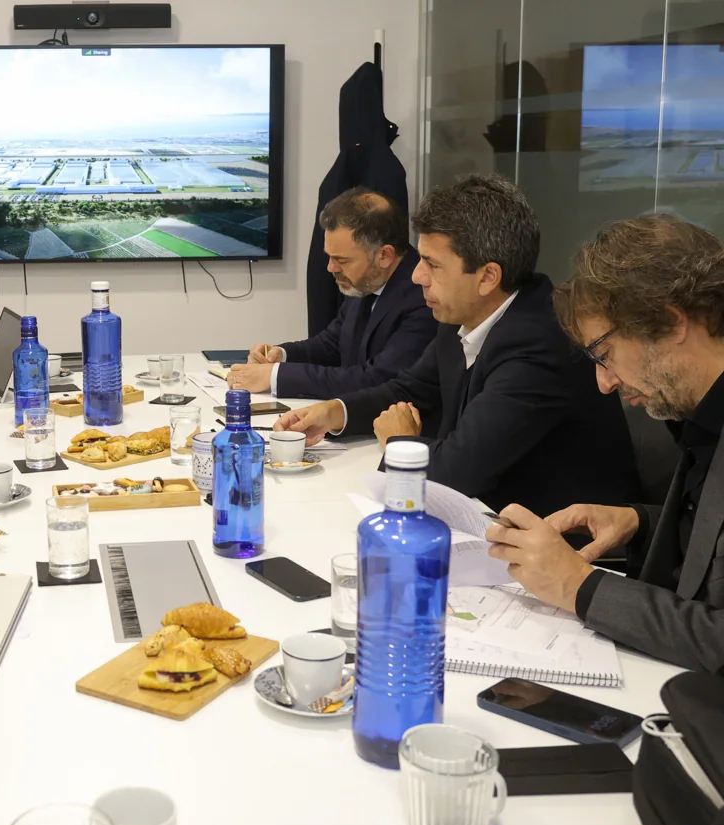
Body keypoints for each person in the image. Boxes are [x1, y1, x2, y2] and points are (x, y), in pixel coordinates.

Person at [274, 173, 638, 516]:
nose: (417, 277)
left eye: (431, 265)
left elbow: (456, 473)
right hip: (491, 523)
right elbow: (411, 389)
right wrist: (333, 412)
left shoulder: (540, 344)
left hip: (565, 549)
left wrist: (400, 442)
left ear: (487, 277)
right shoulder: (461, 315)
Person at [485, 215, 724, 672]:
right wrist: (638, 523)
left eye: (604, 354)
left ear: (671, 322)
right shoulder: (701, 412)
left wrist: (579, 585)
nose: (603, 383)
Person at [227, 188, 435, 398]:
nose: (331, 268)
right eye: (330, 257)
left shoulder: (424, 297)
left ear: (384, 255)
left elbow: (377, 378)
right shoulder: (365, 278)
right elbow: (332, 344)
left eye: (342, 260)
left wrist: (275, 376)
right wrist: (280, 355)